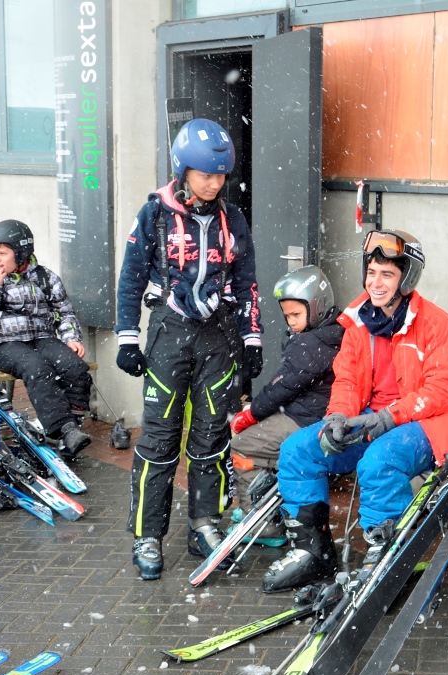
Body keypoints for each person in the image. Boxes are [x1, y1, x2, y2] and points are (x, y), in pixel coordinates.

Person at [262, 229, 448, 593]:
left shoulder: (440, 326)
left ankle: (394, 558)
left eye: (387, 274)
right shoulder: (359, 323)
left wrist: (389, 417)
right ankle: (313, 551)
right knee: (298, 450)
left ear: (406, 278)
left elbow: (442, 391)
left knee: (379, 460)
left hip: (428, 425)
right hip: (370, 418)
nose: (376, 282)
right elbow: (347, 380)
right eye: (372, 272)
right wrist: (337, 417)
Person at [115, 117, 263, 581]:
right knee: (159, 441)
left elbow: (246, 283)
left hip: (217, 337)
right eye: (206, 175)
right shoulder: (154, 213)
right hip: (168, 334)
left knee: (211, 437)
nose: (215, 183)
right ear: (183, 170)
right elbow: (131, 277)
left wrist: (252, 339)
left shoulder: (231, 217)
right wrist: (126, 337)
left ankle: (204, 525)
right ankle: (148, 535)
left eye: (221, 176)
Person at [228, 265, 344, 545]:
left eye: (296, 314)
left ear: (316, 307)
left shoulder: (311, 343)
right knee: (266, 441)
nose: (290, 322)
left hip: (305, 417)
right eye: (286, 315)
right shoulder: (330, 331)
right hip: (313, 411)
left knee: (244, 445)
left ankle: (262, 522)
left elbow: (282, 387)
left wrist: (252, 412)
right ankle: (271, 504)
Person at [0, 219, 92, 458]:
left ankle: (72, 427)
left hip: (42, 338)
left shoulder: (46, 278)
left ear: (22, 252)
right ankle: (62, 429)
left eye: (3, 253)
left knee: (74, 366)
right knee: (37, 368)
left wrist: (71, 337)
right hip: (5, 344)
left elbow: (64, 311)